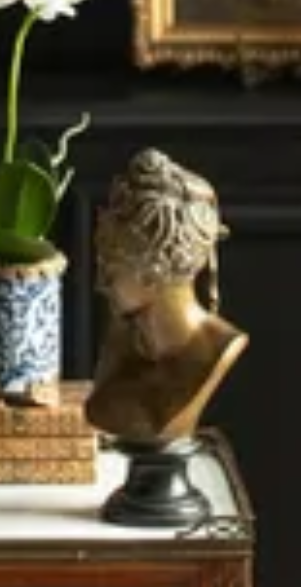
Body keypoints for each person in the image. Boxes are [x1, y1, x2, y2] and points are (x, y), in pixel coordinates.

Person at [84, 150, 249, 447]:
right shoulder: (122, 342)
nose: (100, 284)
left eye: (113, 268)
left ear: (155, 272)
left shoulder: (217, 350)